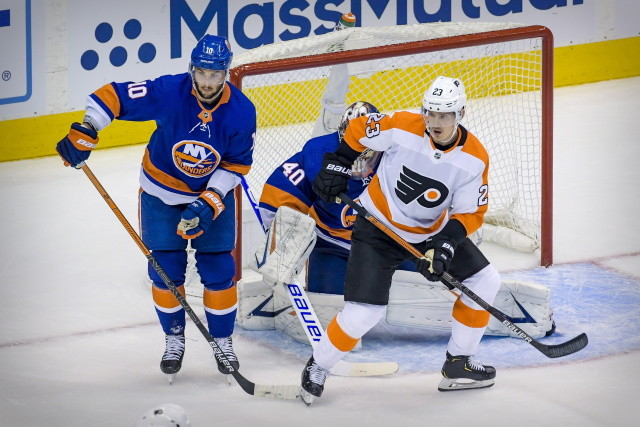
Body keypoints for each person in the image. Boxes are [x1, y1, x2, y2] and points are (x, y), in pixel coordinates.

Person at [55, 35, 256, 381]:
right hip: (160, 194)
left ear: (226, 73)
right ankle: (174, 338)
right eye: (202, 73)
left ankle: (223, 341)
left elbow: (237, 164)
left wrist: (208, 202)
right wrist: (87, 128)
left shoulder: (241, 111)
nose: (208, 82)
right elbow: (113, 96)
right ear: (192, 69)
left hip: (212, 197)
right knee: (165, 270)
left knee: (219, 270)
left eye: (216, 74)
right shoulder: (168, 91)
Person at [301, 75, 501, 403]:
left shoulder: (474, 157)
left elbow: (468, 213)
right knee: (363, 313)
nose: (434, 122)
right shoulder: (402, 125)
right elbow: (357, 128)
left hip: (431, 233)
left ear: (460, 114)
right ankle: (319, 364)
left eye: (444, 115)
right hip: (377, 228)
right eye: (430, 113)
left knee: (485, 280)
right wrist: (338, 163)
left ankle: (458, 363)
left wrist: (445, 247)